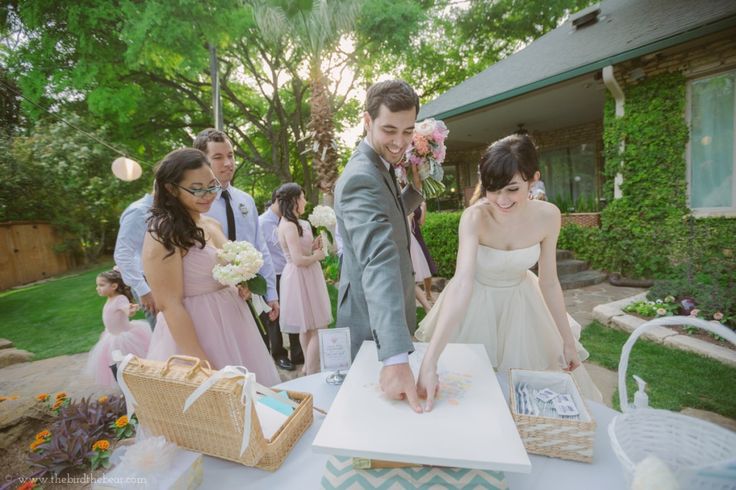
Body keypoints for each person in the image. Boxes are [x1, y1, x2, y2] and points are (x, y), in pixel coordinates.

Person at [415, 133, 602, 411]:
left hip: (523, 304)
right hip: (474, 306)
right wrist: (429, 361)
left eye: (512, 189)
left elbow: (549, 282)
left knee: (527, 400)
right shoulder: (475, 218)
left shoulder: (549, 216)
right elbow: (462, 283)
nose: (501, 199)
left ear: (533, 178)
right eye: (493, 188)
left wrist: (567, 341)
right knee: (473, 395)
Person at [143, 148, 280, 386]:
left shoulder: (211, 222)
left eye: (212, 186)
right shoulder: (164, 233)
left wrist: (240, 284)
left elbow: (219, 270)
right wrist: (203, 367)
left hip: (235, 325)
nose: (208, 195)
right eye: (197, 188)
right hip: (199, 332)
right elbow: (169, 304)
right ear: (171, 189)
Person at [334, 79, 425, 412]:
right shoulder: (361, 176)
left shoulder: (379, 164)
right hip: (371, 322)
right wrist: (395, 356)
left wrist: (412, 192)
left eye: (408, 131)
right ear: (367, 121)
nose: (400, 143)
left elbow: (386, 212)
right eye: (390, 130)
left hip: (381, 317)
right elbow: (378, 258)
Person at [193, 129, 280, 349]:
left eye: (230, 155)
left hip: (252, 296)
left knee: (259, 350)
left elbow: (260, 247)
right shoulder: (197, 206)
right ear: (202, 161)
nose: (228, 163)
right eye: (218, 157)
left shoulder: (245, 200)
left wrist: (270, 292)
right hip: (216, 301)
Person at [276, 183, 332, 375]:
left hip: (307, 274)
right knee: (317, 326)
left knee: (308, 327)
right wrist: (318, 256)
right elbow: (298, 260)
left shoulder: (299, 223)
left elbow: (303, 251)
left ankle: (308, 367)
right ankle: (312, 369)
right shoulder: (289, 226)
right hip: (300, 276)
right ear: (294, 200)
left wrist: (314, 247)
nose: (305, 201)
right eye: (302, 197)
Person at [259, 188, 304, 371]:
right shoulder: (261, 222)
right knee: (273, 317)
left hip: (290, 272)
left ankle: (298, 352)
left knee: (294, 312)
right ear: (279, 199)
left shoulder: (293, 220)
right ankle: (279, 355)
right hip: (272, 274)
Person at [85, 269, 151, 386]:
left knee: (129, 363)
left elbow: (126, 309)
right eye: (97, 285)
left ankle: (138, 383)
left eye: (101, 285)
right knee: (116, 364)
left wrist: (130, 309)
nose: (97, 288)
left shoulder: (120, 299)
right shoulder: (110, 299)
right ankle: (125, 386)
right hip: (111, 336)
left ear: (114, 286)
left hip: (124, 339)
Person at [114, 190, 157, 328]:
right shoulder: (139, 211)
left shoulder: (162, 209)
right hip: (148, 282)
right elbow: (122, 253)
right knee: (161, 331)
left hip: (163, 278)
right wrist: (143, 290)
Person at [411, 202, 438, 302]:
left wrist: (423, 207)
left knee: (427, 263)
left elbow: (421, 222)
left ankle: (428, 294)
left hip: (417, 235)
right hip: (407, 234)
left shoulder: (418, 201)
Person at [408, 215, 432, 312]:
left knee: (410, 280)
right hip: (410, 243)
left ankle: (427, 307)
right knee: (411, 281)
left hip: (407, 244)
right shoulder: (407, 211)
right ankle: (427, 308)